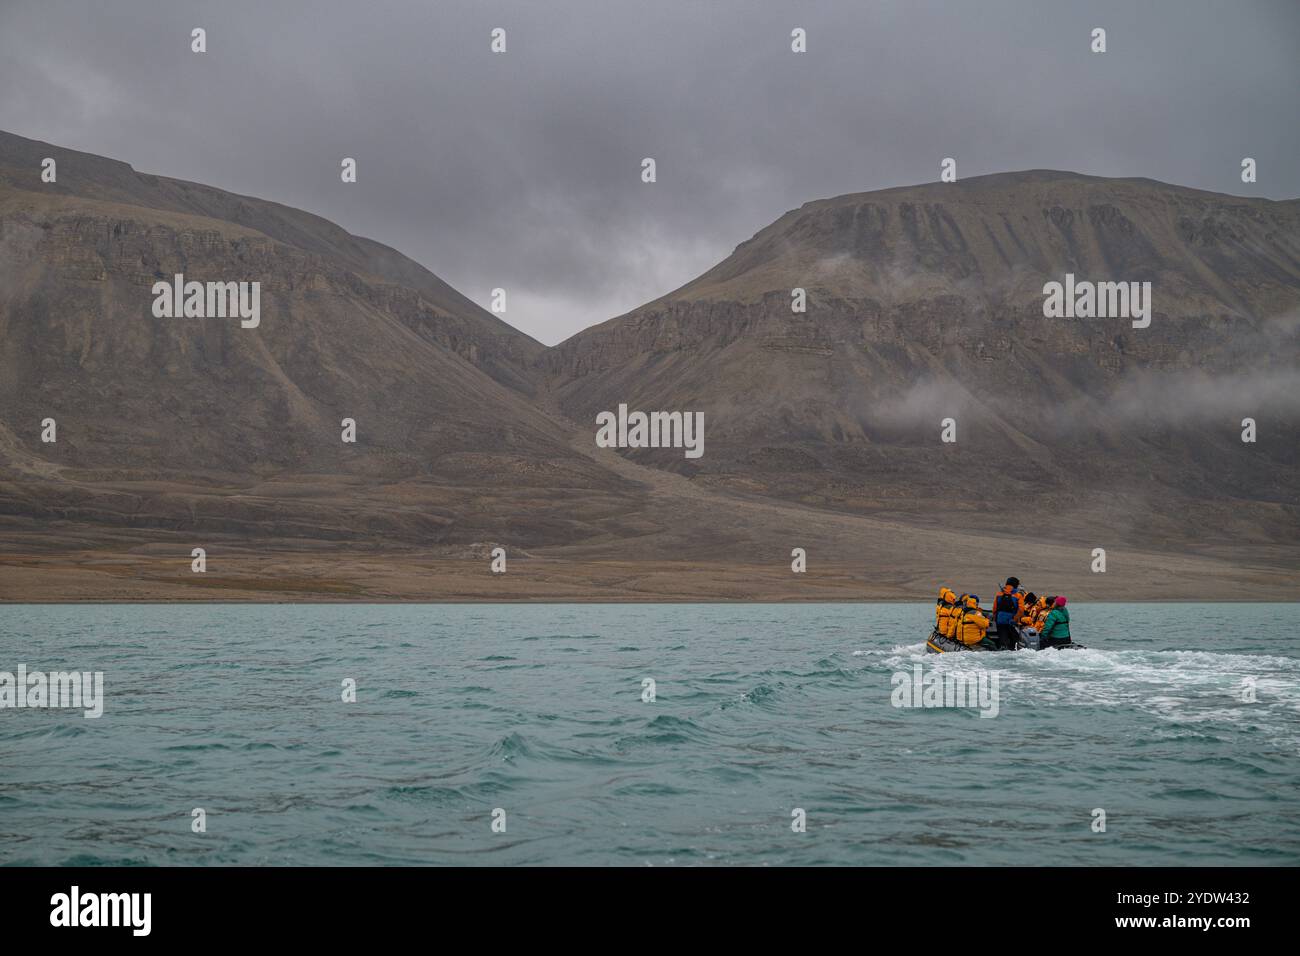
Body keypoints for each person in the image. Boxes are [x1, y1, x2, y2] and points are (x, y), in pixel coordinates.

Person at [992, 577, 1024, 650]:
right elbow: (1021, 610)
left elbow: (994, 609)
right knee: (1014, 640)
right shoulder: (1018, 595)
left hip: (1000, 620)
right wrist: (1015, 619)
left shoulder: (999, 594)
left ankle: (1002, 648)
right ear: (1015, 585)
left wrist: (995, 618)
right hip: (1011, 621)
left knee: (1003, 639)